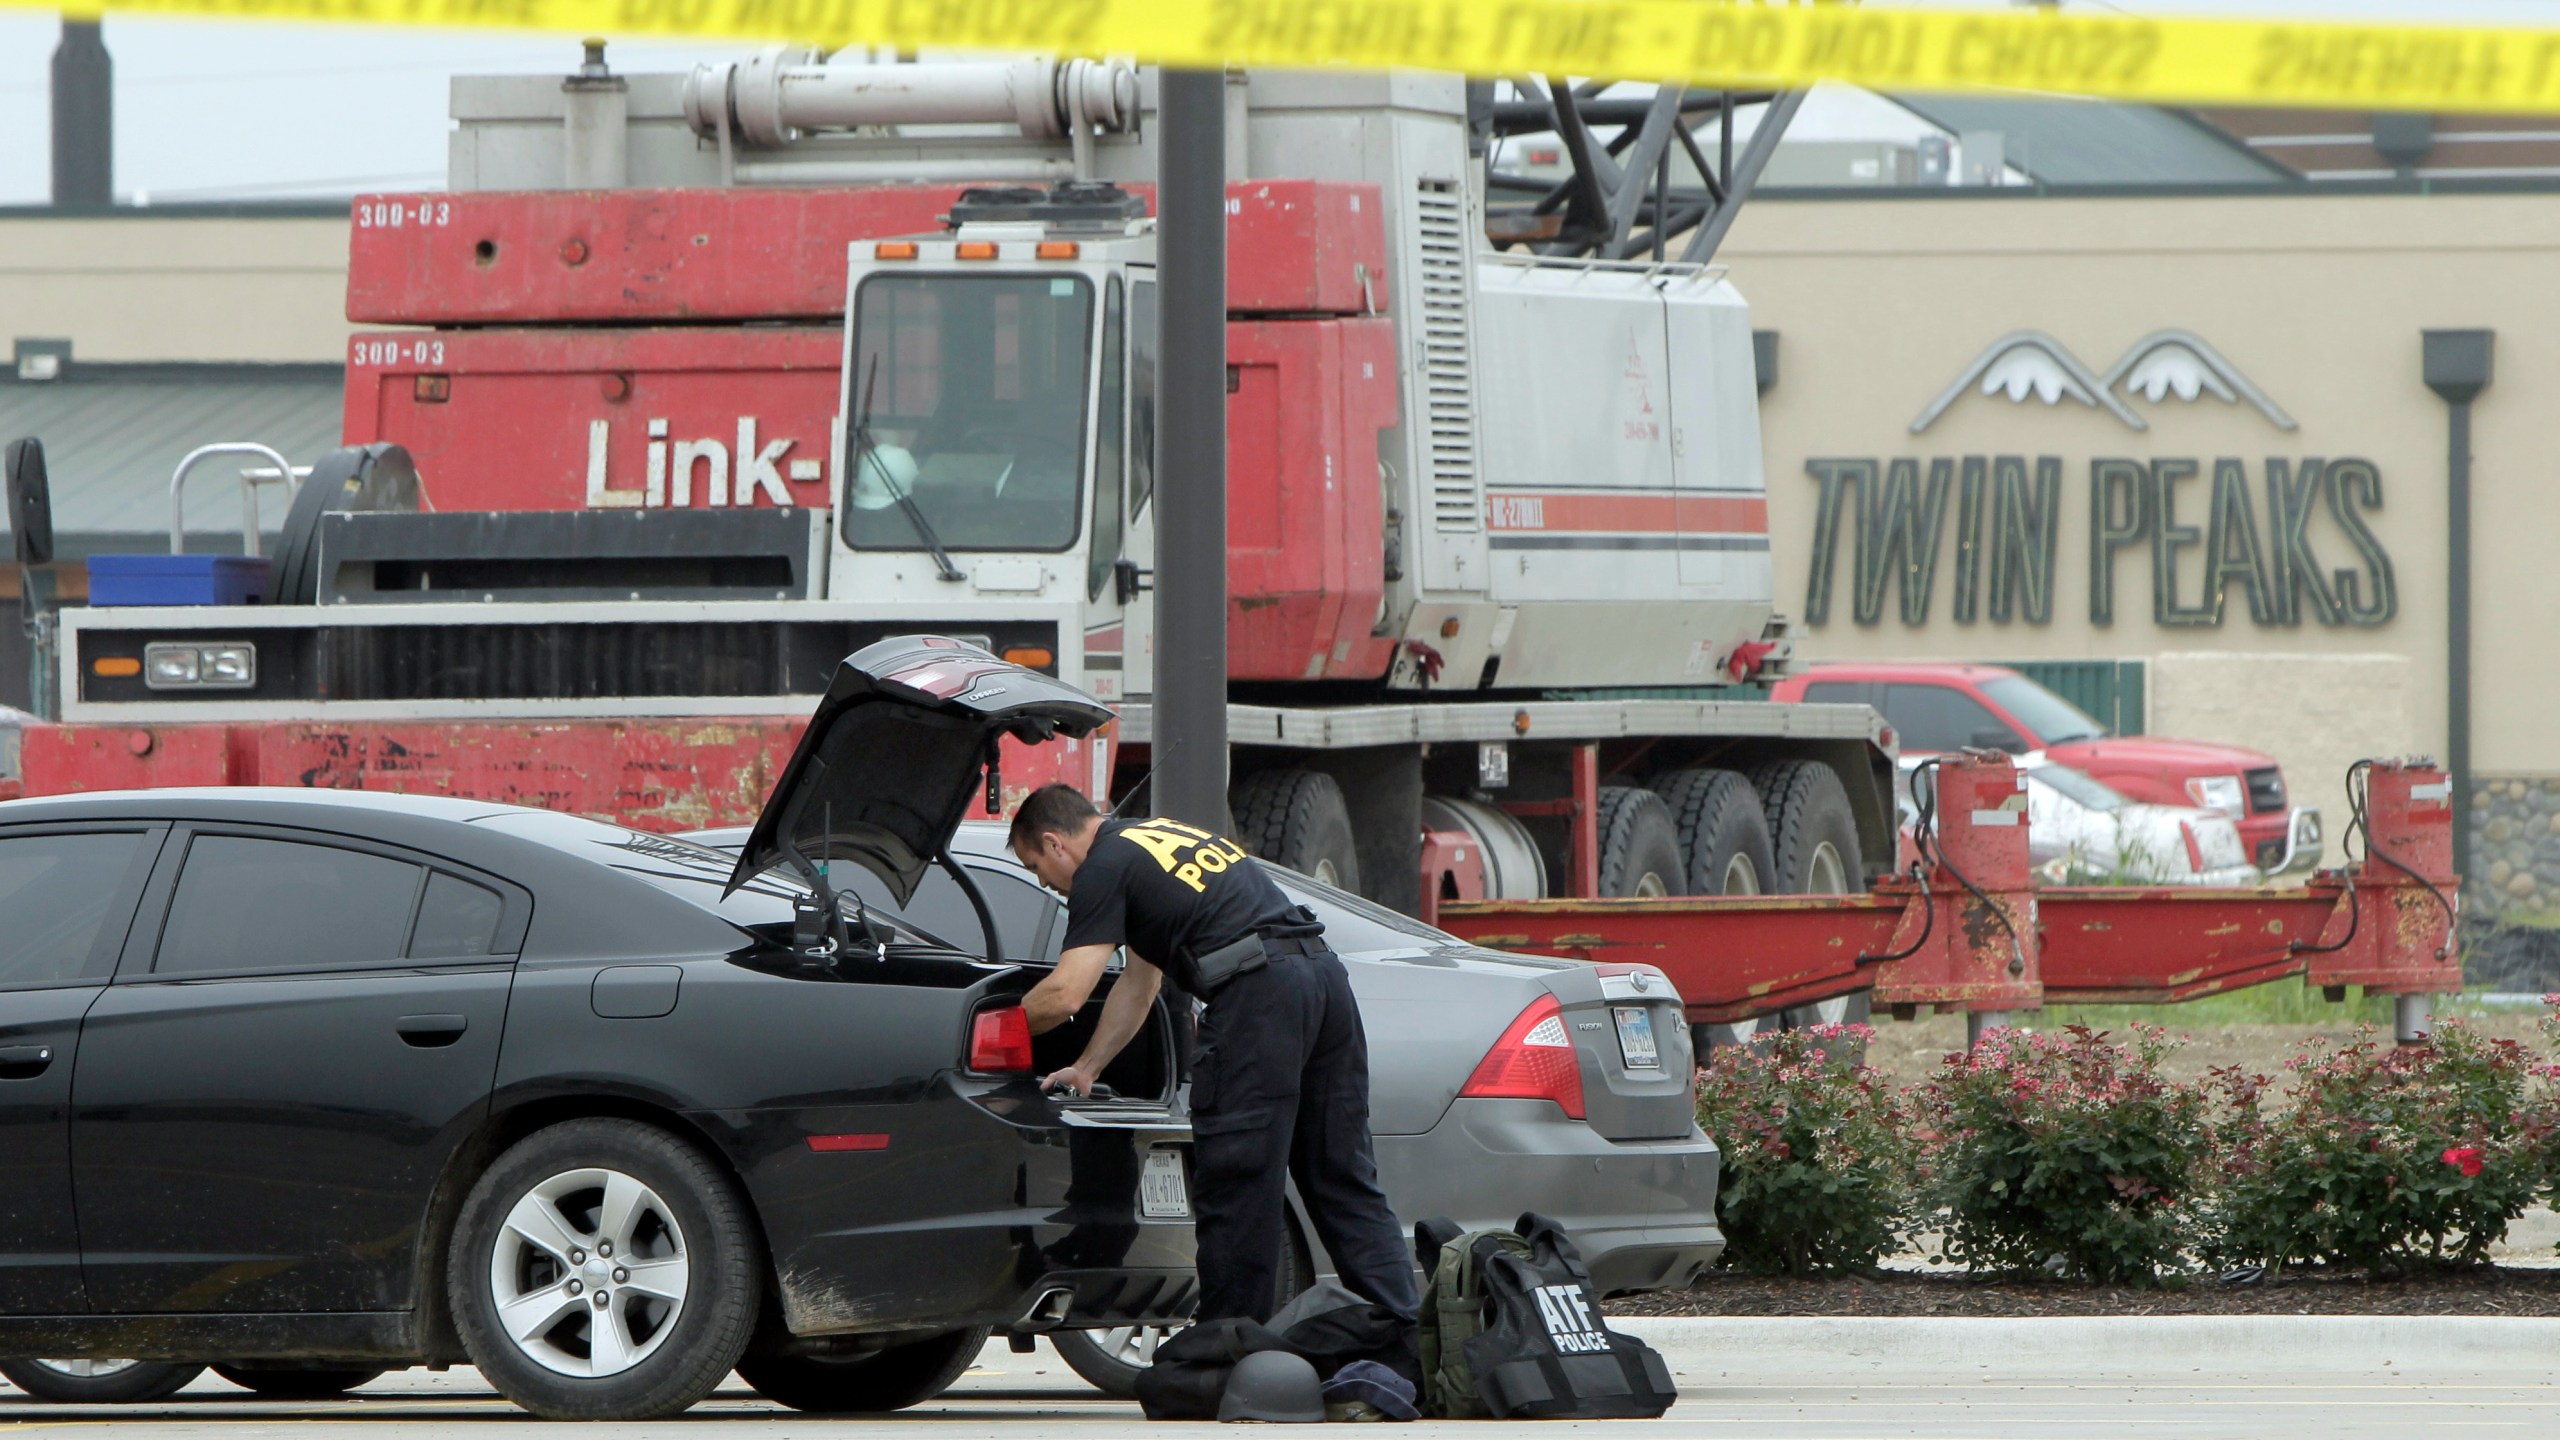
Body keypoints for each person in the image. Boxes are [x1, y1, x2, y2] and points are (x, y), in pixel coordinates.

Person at [1009, 783, 1419, 1371]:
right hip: (1323, 982)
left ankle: (1227, 1359)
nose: (1046, 881)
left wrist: (991, 1025)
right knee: (1342, 1175)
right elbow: (1141, 982)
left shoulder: (1101, 867)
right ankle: (1405, 1340)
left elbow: (1067, 991)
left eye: (1036, 866)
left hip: (1260, 995)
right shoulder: (1156, 841)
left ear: (1054, 842)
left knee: (1237, 1184)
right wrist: (1090, 1066)